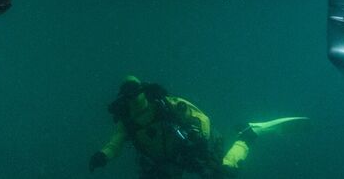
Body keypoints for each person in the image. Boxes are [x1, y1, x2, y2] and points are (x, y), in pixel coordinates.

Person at [89, 76, 309, 178]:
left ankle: (250, 134)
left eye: (136, 93)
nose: (134, 99)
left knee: (226, 172)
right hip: (161, 161)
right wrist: (103, 155)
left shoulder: (168, 105)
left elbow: (199, 117)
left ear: (143, 92)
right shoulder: (126, 121)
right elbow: (115, 141)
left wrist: (198, 137)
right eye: (129, 95)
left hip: (190, 149)